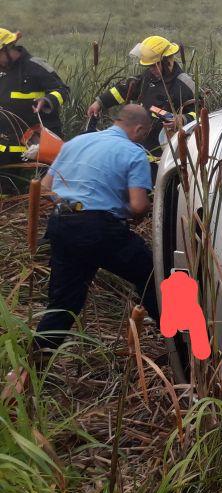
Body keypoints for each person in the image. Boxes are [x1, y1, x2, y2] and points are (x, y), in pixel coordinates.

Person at [33, 104, 159, 353]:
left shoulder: (76, 142)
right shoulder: (134, 153)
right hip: (100, 229)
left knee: (64, 304)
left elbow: (44, 188)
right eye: (144, 134)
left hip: (62, 223)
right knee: (153, 276)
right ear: (140, 129)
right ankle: (183, 347)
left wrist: (75, 205)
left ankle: (28, 369)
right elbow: (138, 205)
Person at [86, 35, 197, 172]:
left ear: (167, 61)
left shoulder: (184, 84)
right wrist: (100, 102)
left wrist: (182, 119)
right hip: (140, 151)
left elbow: (200, 113)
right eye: (149, 66)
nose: (151, 70)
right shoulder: (148, 77)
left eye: (154, 66)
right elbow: (123, 90)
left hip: (168, 158)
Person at [0, 28, 70, 195]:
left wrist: (47, 101)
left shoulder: (35, 67)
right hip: (6, 144)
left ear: (7, 49)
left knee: (43, 192)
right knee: (6, 192)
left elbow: (62, 90)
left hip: (38, 144)